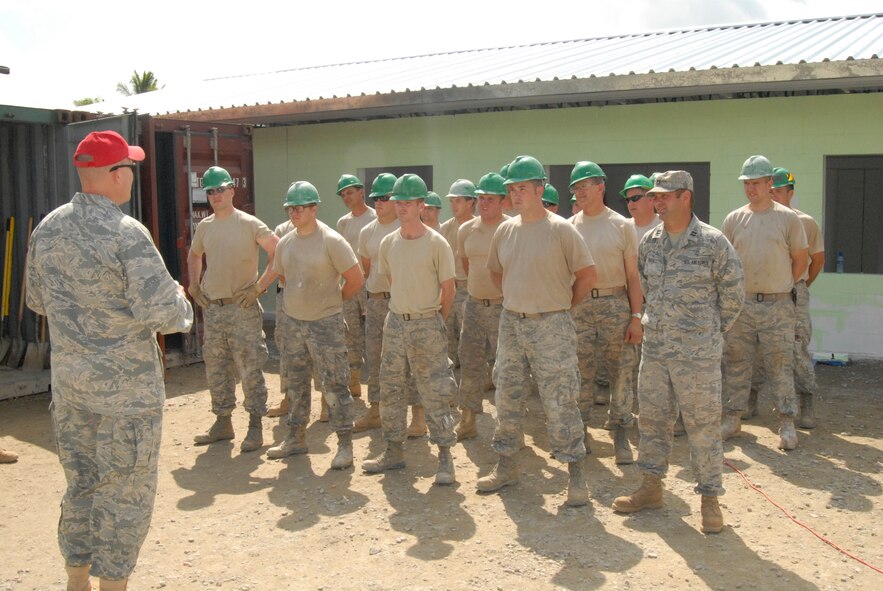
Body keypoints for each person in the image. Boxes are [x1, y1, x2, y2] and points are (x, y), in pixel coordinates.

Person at [26, 130, 193, 591]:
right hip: (126, 396)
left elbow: (38, 301)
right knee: (126, 493)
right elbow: (166, 314)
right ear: (115, 174)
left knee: (81, 485)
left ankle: (75, 580)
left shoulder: (48, 227)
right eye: (131, 169)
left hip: (72, 389)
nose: (133, 178)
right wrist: (181, 301)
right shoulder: (126, 232)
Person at [611, 170, 744, 534]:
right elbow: (647, 286)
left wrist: (706, 335)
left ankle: (709, 500)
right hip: (655, 353)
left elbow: (733, 298)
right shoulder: (650, 242)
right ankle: (651, 488)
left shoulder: (713, 242)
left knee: (702, 429)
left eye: (665, 196)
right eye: (655, 196)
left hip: (696, 357)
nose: (658, 201)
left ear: (686, 197)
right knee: (652, 422)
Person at [477, 155, 597, 507]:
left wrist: (558, 305)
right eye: (512, 189)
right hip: (512, 322)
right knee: (508, 396)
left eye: (523, 188)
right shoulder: (505, 230)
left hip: (552, 324)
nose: (516, 195)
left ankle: (576, 476)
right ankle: (507, 466)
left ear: (539, 189)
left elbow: (588, 276)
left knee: (560, 401)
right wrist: (519, 298)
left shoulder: (561, 229)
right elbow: (497, 273)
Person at [362, 174, 459, 485]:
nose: (402, 208)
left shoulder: (436, 243)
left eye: (408, 203)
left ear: (421, 205)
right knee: (390, 388)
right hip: (395, 322)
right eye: (398, 202)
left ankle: (444, 455)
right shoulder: (388, 243)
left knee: (435, 390)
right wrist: (404, 312)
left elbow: (449, 289)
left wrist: (432, 320)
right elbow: (392, 282)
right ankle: (393, 450)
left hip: (427, 323)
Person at [266, 182, 363, 469]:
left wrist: (331, 304)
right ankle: (295, 437)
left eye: (300, 208)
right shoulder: (286, 242)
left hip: (326, 324)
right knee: (295, 384)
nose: (294, 213)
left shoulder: (331, 241)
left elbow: (355, 279)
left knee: (335, 385)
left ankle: (344, 444)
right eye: (290, 208)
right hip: (295, 324)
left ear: (314, 208)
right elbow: (283, 278)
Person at [187, 166, 279, 453]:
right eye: (210, 191)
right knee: (217, 367)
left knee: (250, 367)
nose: (215, 195)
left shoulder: (250, 224)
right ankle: (223, 422)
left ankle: (255, 425)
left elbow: (277, 251)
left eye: (220, 190)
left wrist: (260, 287)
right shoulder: (205, 226)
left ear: (231, 191)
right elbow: (194, 253)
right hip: (214, 309)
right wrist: (193, 285)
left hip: (242, 308)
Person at [720, 155, 808, 450]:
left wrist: (780, 288)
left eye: (756, 183)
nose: (750, 189)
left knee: (780, 365)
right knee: (736, 362)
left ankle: (786, 422)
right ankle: (733, 417)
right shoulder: (734, 219)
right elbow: (727, 263)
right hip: (742, 305)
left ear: (770, 183)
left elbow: (800, 260)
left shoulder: (788, 218)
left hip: (778, 305)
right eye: (747, 183)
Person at [569, 161, 643, 464]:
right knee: (580, 372)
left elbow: (633, 276)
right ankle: (581, 429)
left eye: (584, 186)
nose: (579, 192)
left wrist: (636, 317)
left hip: (615, 303)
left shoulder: (622, 225)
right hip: (581, 305)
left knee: (621, 372)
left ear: (600, 187)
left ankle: (621, 432)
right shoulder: (570, 226)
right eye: (575, 188)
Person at [355, 174, 426, 436]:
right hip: (376, 302)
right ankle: (375, 409)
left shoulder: (407, 228)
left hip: (403, 302)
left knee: (412, 359)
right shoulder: (367, 232)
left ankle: (418, 416)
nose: (381, 203)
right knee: (375, 358)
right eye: (377, 198)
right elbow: (366, 268)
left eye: (386, 198)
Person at [455, 172, 510, 440]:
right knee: (470, 363)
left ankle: (510, 428)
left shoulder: (512, 229)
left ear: (503, 201)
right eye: (481, 198)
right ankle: (467, 419)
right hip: (474, 306)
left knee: (508, 369)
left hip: (504, 308)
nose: (484, 203)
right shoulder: (466, 230)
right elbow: (467, 266)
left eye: (490, 199)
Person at [768, 167, 824, 428]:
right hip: (763, 294)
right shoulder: (759, 219)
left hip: (793, 293)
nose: (774, 196)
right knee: (758, 348)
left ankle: (806, 401)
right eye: (771, 191)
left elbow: (817, 260)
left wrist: (801, 285)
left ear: (790, 193)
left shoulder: (806, 222)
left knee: (797, 346)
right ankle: (749, 400)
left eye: (778, 191)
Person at [336, 174, 376, 398]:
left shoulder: (375, 218)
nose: (346, 197)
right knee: (350, 332)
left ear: (362, 191)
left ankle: (375, 382)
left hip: (372, 285)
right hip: (351, 285)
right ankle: (354, 378)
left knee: (373, 333)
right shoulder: (343, 222)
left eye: (350, 192)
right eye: (343, 194)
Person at [439, 179, 477, 372]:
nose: (454, 205)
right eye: (451, 201)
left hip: (471, 289)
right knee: (447, 336)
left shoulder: (479, 227)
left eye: (458, 201)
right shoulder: (445, 228)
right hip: (449, 288)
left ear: (471, 202)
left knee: (471, 338)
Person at [266, 216, 294, 418]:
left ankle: (326, 401)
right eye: (292, 207)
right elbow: (274, 263)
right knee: (285, 345)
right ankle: (288, 399)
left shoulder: (322, 232)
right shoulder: (281, 230)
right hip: (286, 294)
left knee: (318, 348)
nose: (295, 211)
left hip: (312, 295)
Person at [621, 174, 661, 242]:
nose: (630, 203)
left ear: (650, 199)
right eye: (627, 200)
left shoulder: (666, 225)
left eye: (635, 198)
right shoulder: (623, 228)